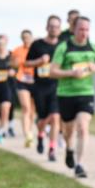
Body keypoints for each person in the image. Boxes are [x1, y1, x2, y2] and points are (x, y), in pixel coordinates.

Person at [49, 16, 95, 178]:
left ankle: (80, 164)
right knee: (69, 130)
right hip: (66, 94)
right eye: (81, 29)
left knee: (83, 127)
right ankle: (69, 150)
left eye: (87, 29)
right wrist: (72, 73)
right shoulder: (64, 47)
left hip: (86, 93)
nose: (84, 33)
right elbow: (52, 71)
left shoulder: (94, 48)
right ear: (74, 29)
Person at [26, 16, 63, 162]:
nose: (54, 29)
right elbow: (27, 63)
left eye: (56, 26)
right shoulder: (37, 45)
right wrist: (39, 61)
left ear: (60, 29)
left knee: (55, 117)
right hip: (40, 87)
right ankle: (40, 134)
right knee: (42, 120)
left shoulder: (62, 47)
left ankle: (52, 148)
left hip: (57, 86)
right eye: (51, 26)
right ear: (47, 28)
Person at [11, 30, 37, 148]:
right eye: (24, 38)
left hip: (35, 81)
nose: (26, 39)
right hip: (22, 80)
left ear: (31, 38)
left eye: (28, 37)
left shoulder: (37, 49)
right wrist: (15, 64)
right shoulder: (17, 50)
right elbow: (12, 64)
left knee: (32, 110)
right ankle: (27, 134)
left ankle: (29, 130)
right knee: (25, 107)